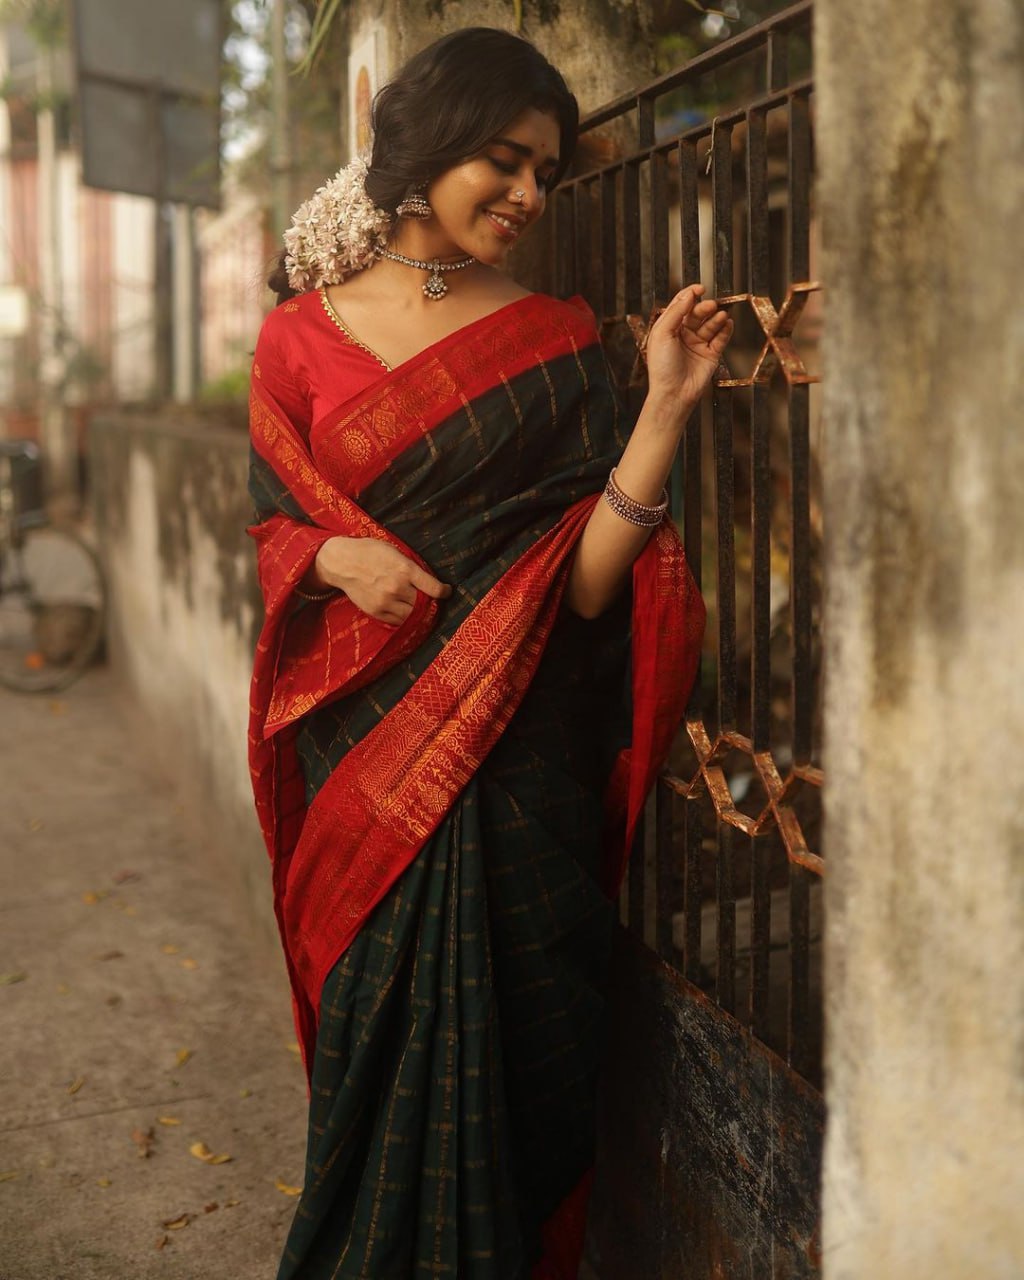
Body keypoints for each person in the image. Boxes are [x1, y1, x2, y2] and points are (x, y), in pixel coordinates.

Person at [247, 26, 733, 1280]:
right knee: (375, 1048)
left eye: (547, 175)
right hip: (365, 765)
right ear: (427, 146)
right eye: (503, 162)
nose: (527, 195)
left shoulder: (563, 340)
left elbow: (575, 590)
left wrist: (666, 405)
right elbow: (266, 530)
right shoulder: (297, 341)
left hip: (520, 765)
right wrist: (325, 559)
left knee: (519, 1079)